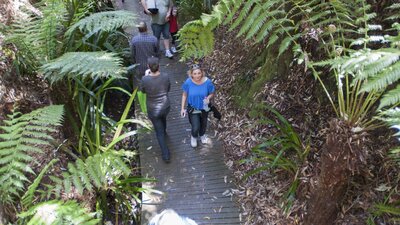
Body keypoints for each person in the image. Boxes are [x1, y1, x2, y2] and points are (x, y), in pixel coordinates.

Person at [141, 57, 171, 162]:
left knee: (159, 132)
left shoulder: (145, 79)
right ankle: (165, 131)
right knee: (163, 118)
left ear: (148, 67)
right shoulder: (165, 76)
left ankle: (166, 155)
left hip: (153, 109)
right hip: (165, 106)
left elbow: (143, 91)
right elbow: (168, 89)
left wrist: (146, 76)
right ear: (159, 66)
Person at [180, 64, 215, 148]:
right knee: (195, 126)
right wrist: (182, 108)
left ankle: (202, 136)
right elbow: (184, 95)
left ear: (202, 73)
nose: (197, 76)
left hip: (204, 107)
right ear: (191, 74)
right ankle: (194, 137)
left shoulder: (208, 82)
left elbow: (212, 93)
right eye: (195, 74)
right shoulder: (188, 82)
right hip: (193, 108)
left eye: (199, 73)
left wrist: (208, 98)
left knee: (203, 124)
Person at [130, 21, 159, 87]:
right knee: (153, 81)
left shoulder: (134, 40)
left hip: (140, 66)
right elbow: (157, 52)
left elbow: (132, 54)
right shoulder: (154, 39)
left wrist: (134, 63)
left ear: (138, 30)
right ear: (147, 29)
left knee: (141, 82)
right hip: (152, 66)